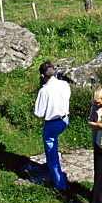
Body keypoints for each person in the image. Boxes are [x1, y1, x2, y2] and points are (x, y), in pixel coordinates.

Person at [33, 61, 71, 191]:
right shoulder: (64, 84)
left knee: (51, 151)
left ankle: (60, 184)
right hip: (64, 119)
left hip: (51, 122)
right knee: (54, 144)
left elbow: (39, 113)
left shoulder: (44, 91)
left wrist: (34, 110)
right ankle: (52, 165)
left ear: (42, 75)